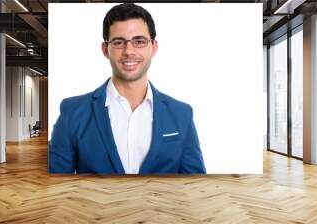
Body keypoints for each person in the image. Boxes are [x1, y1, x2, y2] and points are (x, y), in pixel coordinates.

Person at [49, 3, 206, 174]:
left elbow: (194, 186)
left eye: (139, 41)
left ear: (153, 47)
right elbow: (55, 184)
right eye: (118, 42)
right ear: (105, 49)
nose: (129, 51)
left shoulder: (181, 113)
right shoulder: (72, 111)